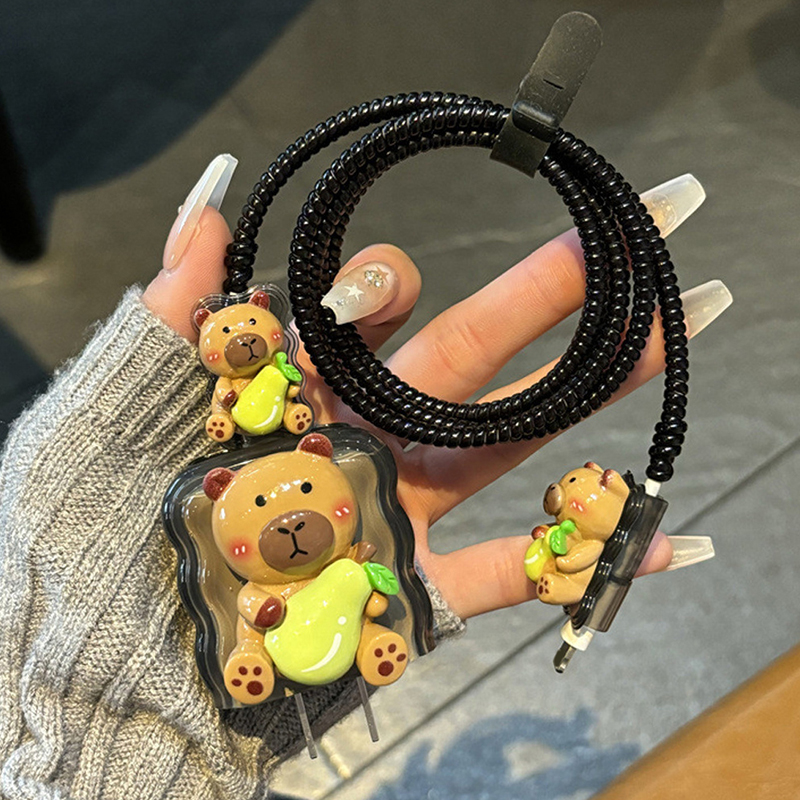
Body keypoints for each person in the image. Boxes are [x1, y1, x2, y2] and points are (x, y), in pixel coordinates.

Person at [0, 155, 728, 799]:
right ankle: (299, 656)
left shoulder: (344, 507)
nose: (291, 524)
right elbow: (246, 598)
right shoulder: (234, 516)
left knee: (364, 600)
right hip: (272, 637)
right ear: (215, 500)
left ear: (331, 469)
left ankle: (364, 645)